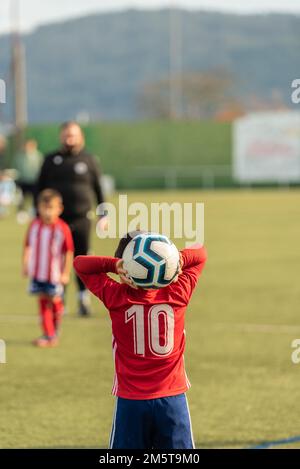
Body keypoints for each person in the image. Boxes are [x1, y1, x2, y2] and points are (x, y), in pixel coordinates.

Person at [73, 231, 207, 449]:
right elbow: (201, 253)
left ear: (127, 268)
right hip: (172, 400)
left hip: (131, 402)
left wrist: (114, 265)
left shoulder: (116, 296)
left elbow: (80, 264)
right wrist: (176, 260)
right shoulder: (179, 292)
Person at [36, 121, 106, 316]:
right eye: (67, 135)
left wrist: (104, 214)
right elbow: (39, 188)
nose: (70, 138)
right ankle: (60, 300)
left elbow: (99, 189)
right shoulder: (50, 160)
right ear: (61, 136)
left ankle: (83, 298)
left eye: (73, 135)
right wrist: (38, 215)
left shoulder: (89, 160)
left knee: (82, 259)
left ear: (80, 137)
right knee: (57, 260)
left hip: (82, 218)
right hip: (56, 222)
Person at [23, 189, 74, 348]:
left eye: (51, 208)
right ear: (38, 208)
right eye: (44, 208)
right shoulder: (34, 225)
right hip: (38, 273)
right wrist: (25, 264)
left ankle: (53, 328)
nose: (47, 212)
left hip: (54, 275)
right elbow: (28, 245)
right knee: (43, 301)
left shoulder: (62, 228)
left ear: (59, 209)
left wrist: (65, 273)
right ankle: (49, 334)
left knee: (55, 301)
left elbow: (69, 251)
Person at [14, 139, 42, 214]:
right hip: (22, 181)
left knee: (35, 198)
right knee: (21, 198)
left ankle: (34, 211)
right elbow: (16, 167)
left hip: (34, 181)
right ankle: (21, 212)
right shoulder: (19, 156)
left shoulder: (38, 156)